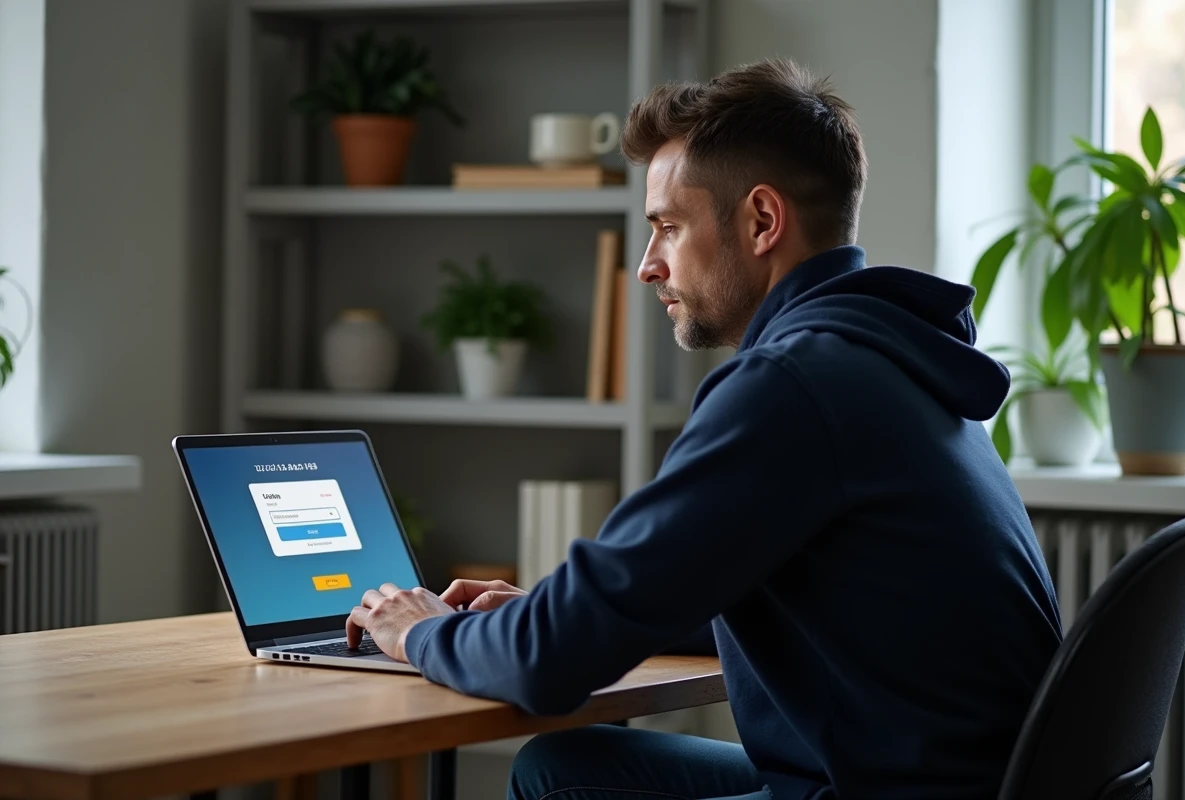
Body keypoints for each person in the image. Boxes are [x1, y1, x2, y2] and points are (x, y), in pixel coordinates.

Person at [345, 58, 1063, 800]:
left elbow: (550, 665)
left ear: (760, 221)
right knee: (564, 768)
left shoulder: (793, 386)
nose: (648, 267)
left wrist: (421, 631)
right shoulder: (892, 359)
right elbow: (696, 593)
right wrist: (538, 613)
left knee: (561, 776)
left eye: (668, 227)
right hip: (954, 782)